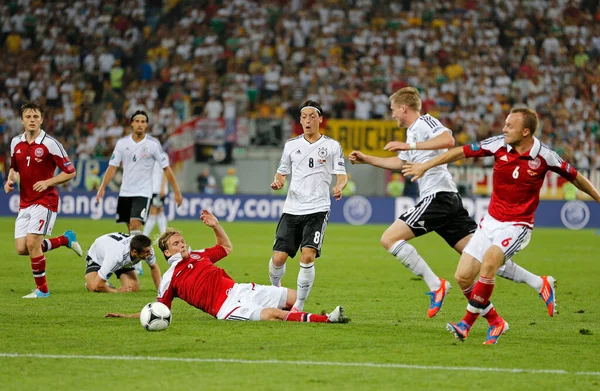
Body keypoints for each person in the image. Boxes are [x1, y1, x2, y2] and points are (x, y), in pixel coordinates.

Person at [349, 87, 555, 321]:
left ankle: (436, 284)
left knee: (389, 239)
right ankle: (539, 283)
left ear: (403, 108)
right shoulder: (413, 132)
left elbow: (448, 139)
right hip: (447, 200)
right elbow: (401, 163)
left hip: (438, 197)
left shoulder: (425, 122)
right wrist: (367, 159)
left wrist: (412, 147)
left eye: (393, 110)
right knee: (483, 259)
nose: (392, 114)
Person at [402, 107, 600, 344]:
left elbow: (576, 177)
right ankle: (498, 321)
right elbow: (459, 152)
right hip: (491, 222)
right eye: (505, 124)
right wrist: (426, 165)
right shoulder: (497, 145)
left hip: (517, 225)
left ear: (526, 131)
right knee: (463, 277)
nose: (504, 129)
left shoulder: (545, 156)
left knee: (489, 264)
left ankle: (465, 324)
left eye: (510, 126)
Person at [105, 210, 348, 323]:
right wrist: (127, 316)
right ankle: (327, 320)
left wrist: (215, 225)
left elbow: (226, 247)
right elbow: (159, 310)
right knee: (275, 315)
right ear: (167, 252)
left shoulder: (200, 255)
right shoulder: (170, 278)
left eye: (182, 240)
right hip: (227, 307)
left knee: (295, 297)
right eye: (176, 243)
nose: (183, 244)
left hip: (241, 289)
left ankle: (308, 316)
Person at [268, 100, 348, 312]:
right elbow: (281, 171)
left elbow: (342, 175)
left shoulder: (332, 146)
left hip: (317, 209)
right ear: (300, 120)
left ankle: (298, 306)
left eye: (312, 116)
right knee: (278, 258)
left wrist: (339, 186)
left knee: (308, 254)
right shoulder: (291, 145)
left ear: (320, 119)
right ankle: (275, 292)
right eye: (304, 117)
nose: (308, 120)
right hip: (292, 208)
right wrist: (279, 181)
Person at [4, 101, 82, 299]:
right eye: (28, 117)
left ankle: (43, 290)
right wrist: (10, 180)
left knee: (32, 242)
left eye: (36, 117)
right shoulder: (16, 142)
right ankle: (65, 239)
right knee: (22, 248)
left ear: (42, 119)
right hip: (25, 202)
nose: (32, 120)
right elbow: (14, 167)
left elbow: (70, 172)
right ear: (22, 120)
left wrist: (48, 182)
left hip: (45, 200)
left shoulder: (50, 143)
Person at [95, 110, 183, 274]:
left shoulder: (153, 144)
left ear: (147, 125)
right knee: (130, 229)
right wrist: (102, 187)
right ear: (132, 124)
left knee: (136, 225)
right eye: (137, 121)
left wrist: (176, 191)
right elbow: (112, 167)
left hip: (143, 192)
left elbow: (167, 169)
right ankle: (134, 260)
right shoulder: (122, 144)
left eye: (143, 121)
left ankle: (142, 264)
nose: (140, 124)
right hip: (125, 192)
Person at [84, 232, 160, 293]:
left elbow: (154, 267)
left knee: (133, 288)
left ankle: (105, 286)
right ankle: (92, 284)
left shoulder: (147, 249)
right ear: (135, 252)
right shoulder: (116, 257)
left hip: (118, 253)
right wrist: (117, 291)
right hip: (98, 254)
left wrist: (159, 290)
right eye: (146, 252)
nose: (150, 253)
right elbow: (96, 286)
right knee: (94, 287)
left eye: (149, 250)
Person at [143, 151, 170, 237]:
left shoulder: (163, 155)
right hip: (152, 189)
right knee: (159, 212)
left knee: (153, 212)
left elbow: (166, 172)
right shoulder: (149, 155)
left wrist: (162, 187)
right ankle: (164, 234)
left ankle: (145, 236)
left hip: (157, 189)